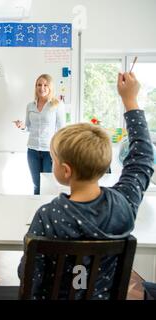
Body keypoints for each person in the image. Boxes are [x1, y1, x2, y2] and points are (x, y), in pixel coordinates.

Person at [18, 72, 153, 299]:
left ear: (65, 170)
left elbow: (29, 276)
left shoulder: (48, 215)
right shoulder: (124, 205)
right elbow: (143, 159)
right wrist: (130, 100)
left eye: (55, 158)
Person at [14, 74, 66, 194]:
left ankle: (48, 212)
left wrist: (59, 151)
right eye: (39, 85)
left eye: (45, 85)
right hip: (32, 151)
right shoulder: (30, 106)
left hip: (49, 151)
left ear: (50, 87)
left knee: (47, 186)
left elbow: (62, 130)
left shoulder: (57, 105)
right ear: (35, 87)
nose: (41, 88)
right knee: (36, 185)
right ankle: (37, 211)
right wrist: (22, 126)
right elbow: (28, 127)